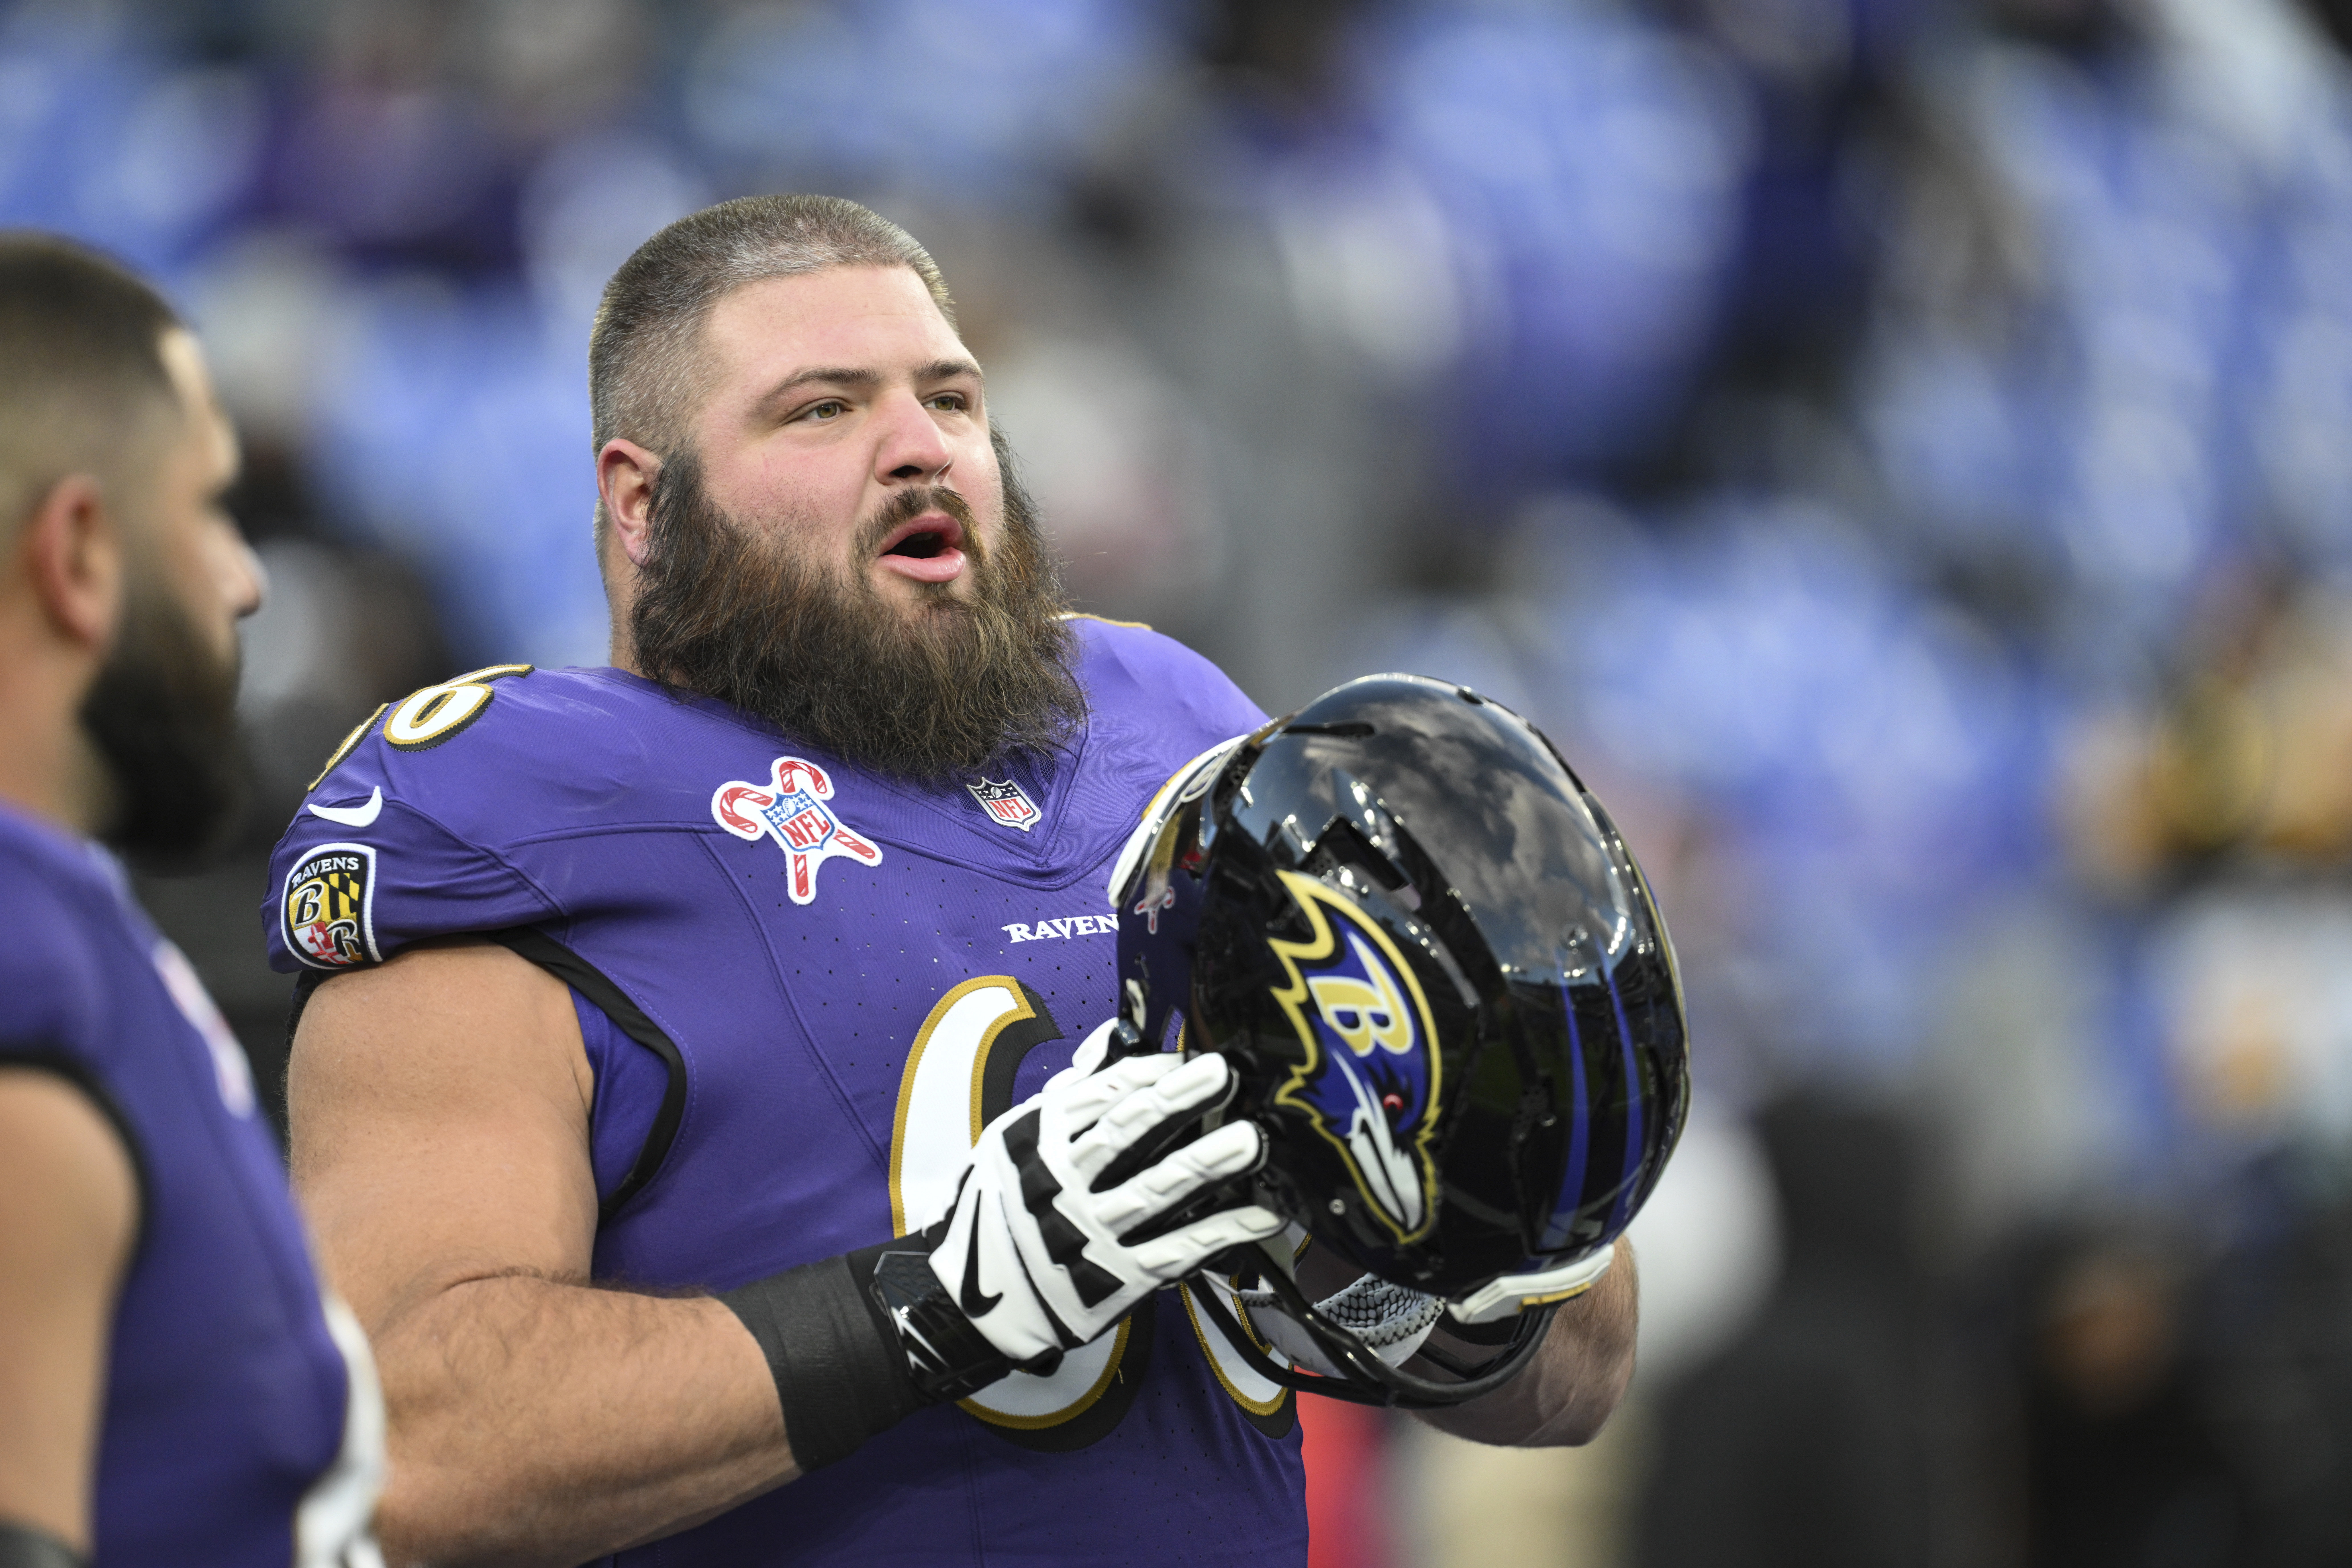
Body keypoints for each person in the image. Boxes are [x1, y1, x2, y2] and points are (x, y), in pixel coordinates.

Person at [268, 194, 1638, 1568]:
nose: (920, 448)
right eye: (820, 409)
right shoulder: (520, 801)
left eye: (952, 396)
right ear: (642, 501)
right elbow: (399, 1450)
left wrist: (1385, 1283)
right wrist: (936, 1306)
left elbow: (1585, 1363)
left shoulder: (1167, 725)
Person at [0, 235, 383, 1568]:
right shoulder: (26, 978)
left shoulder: (66, 918)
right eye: (210, 509)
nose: (246, 576)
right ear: (83, 555)